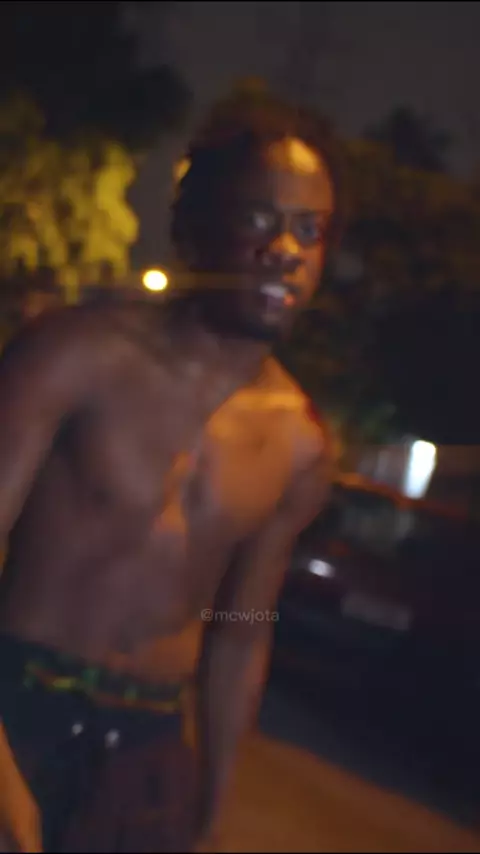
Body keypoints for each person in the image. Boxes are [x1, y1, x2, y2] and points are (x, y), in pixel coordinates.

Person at [0, 92, 342, 853]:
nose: (284, 248)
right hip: (17, 701)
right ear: (197, 229)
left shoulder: (300, 444)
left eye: (309, 229)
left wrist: (210, 811)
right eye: (259, 218)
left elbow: (240, 635)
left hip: (145, 755)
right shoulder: (75, 355)